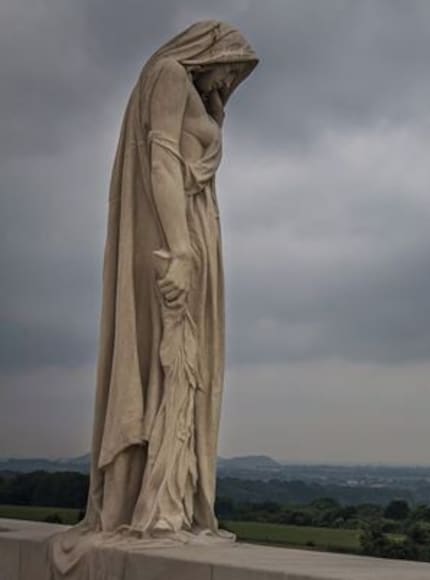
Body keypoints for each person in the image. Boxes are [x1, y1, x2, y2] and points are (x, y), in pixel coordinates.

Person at [50, 21, 258, 578]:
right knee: (176, 364)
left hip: (192, 231)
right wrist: (182, 249)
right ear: (209, 51)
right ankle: (159, 505)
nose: (232, 78)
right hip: (179, 238)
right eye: (232, 66)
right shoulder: (168, 75)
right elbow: (164, 161)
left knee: (188, 370)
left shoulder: (192, 91)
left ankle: (172, 501)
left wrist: (216, 112)